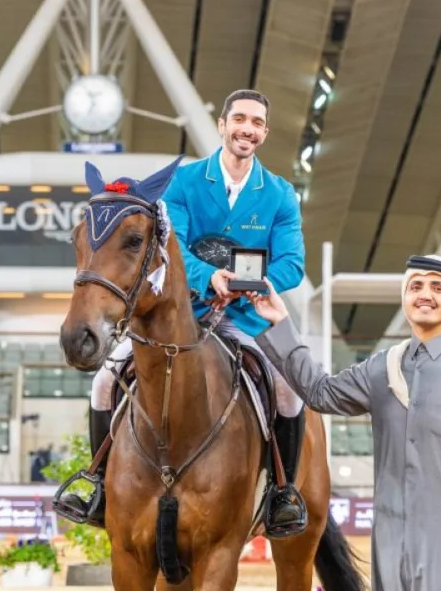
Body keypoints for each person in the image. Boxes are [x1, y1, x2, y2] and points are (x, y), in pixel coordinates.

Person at [55, 89, 310, 536]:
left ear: (264, 133)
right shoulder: (185, 182)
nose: (247, 129)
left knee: (288, 391)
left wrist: (250, 285)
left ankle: (280, 494)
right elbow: (171, 248)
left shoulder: (280, 195)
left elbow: (292, 264)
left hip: (246, 317)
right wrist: (210, 277)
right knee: (102, 383)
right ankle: (96, 484)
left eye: (256, 123)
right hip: (182, 313)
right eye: (240, 120)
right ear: (223, 125)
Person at [247, 254, 441, 591]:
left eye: (437, 287)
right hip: (391, 552)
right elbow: (320, 392)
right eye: (415, 286)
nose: (425, 295)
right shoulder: (381, 369)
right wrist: (281, 324)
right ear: (404, 299)